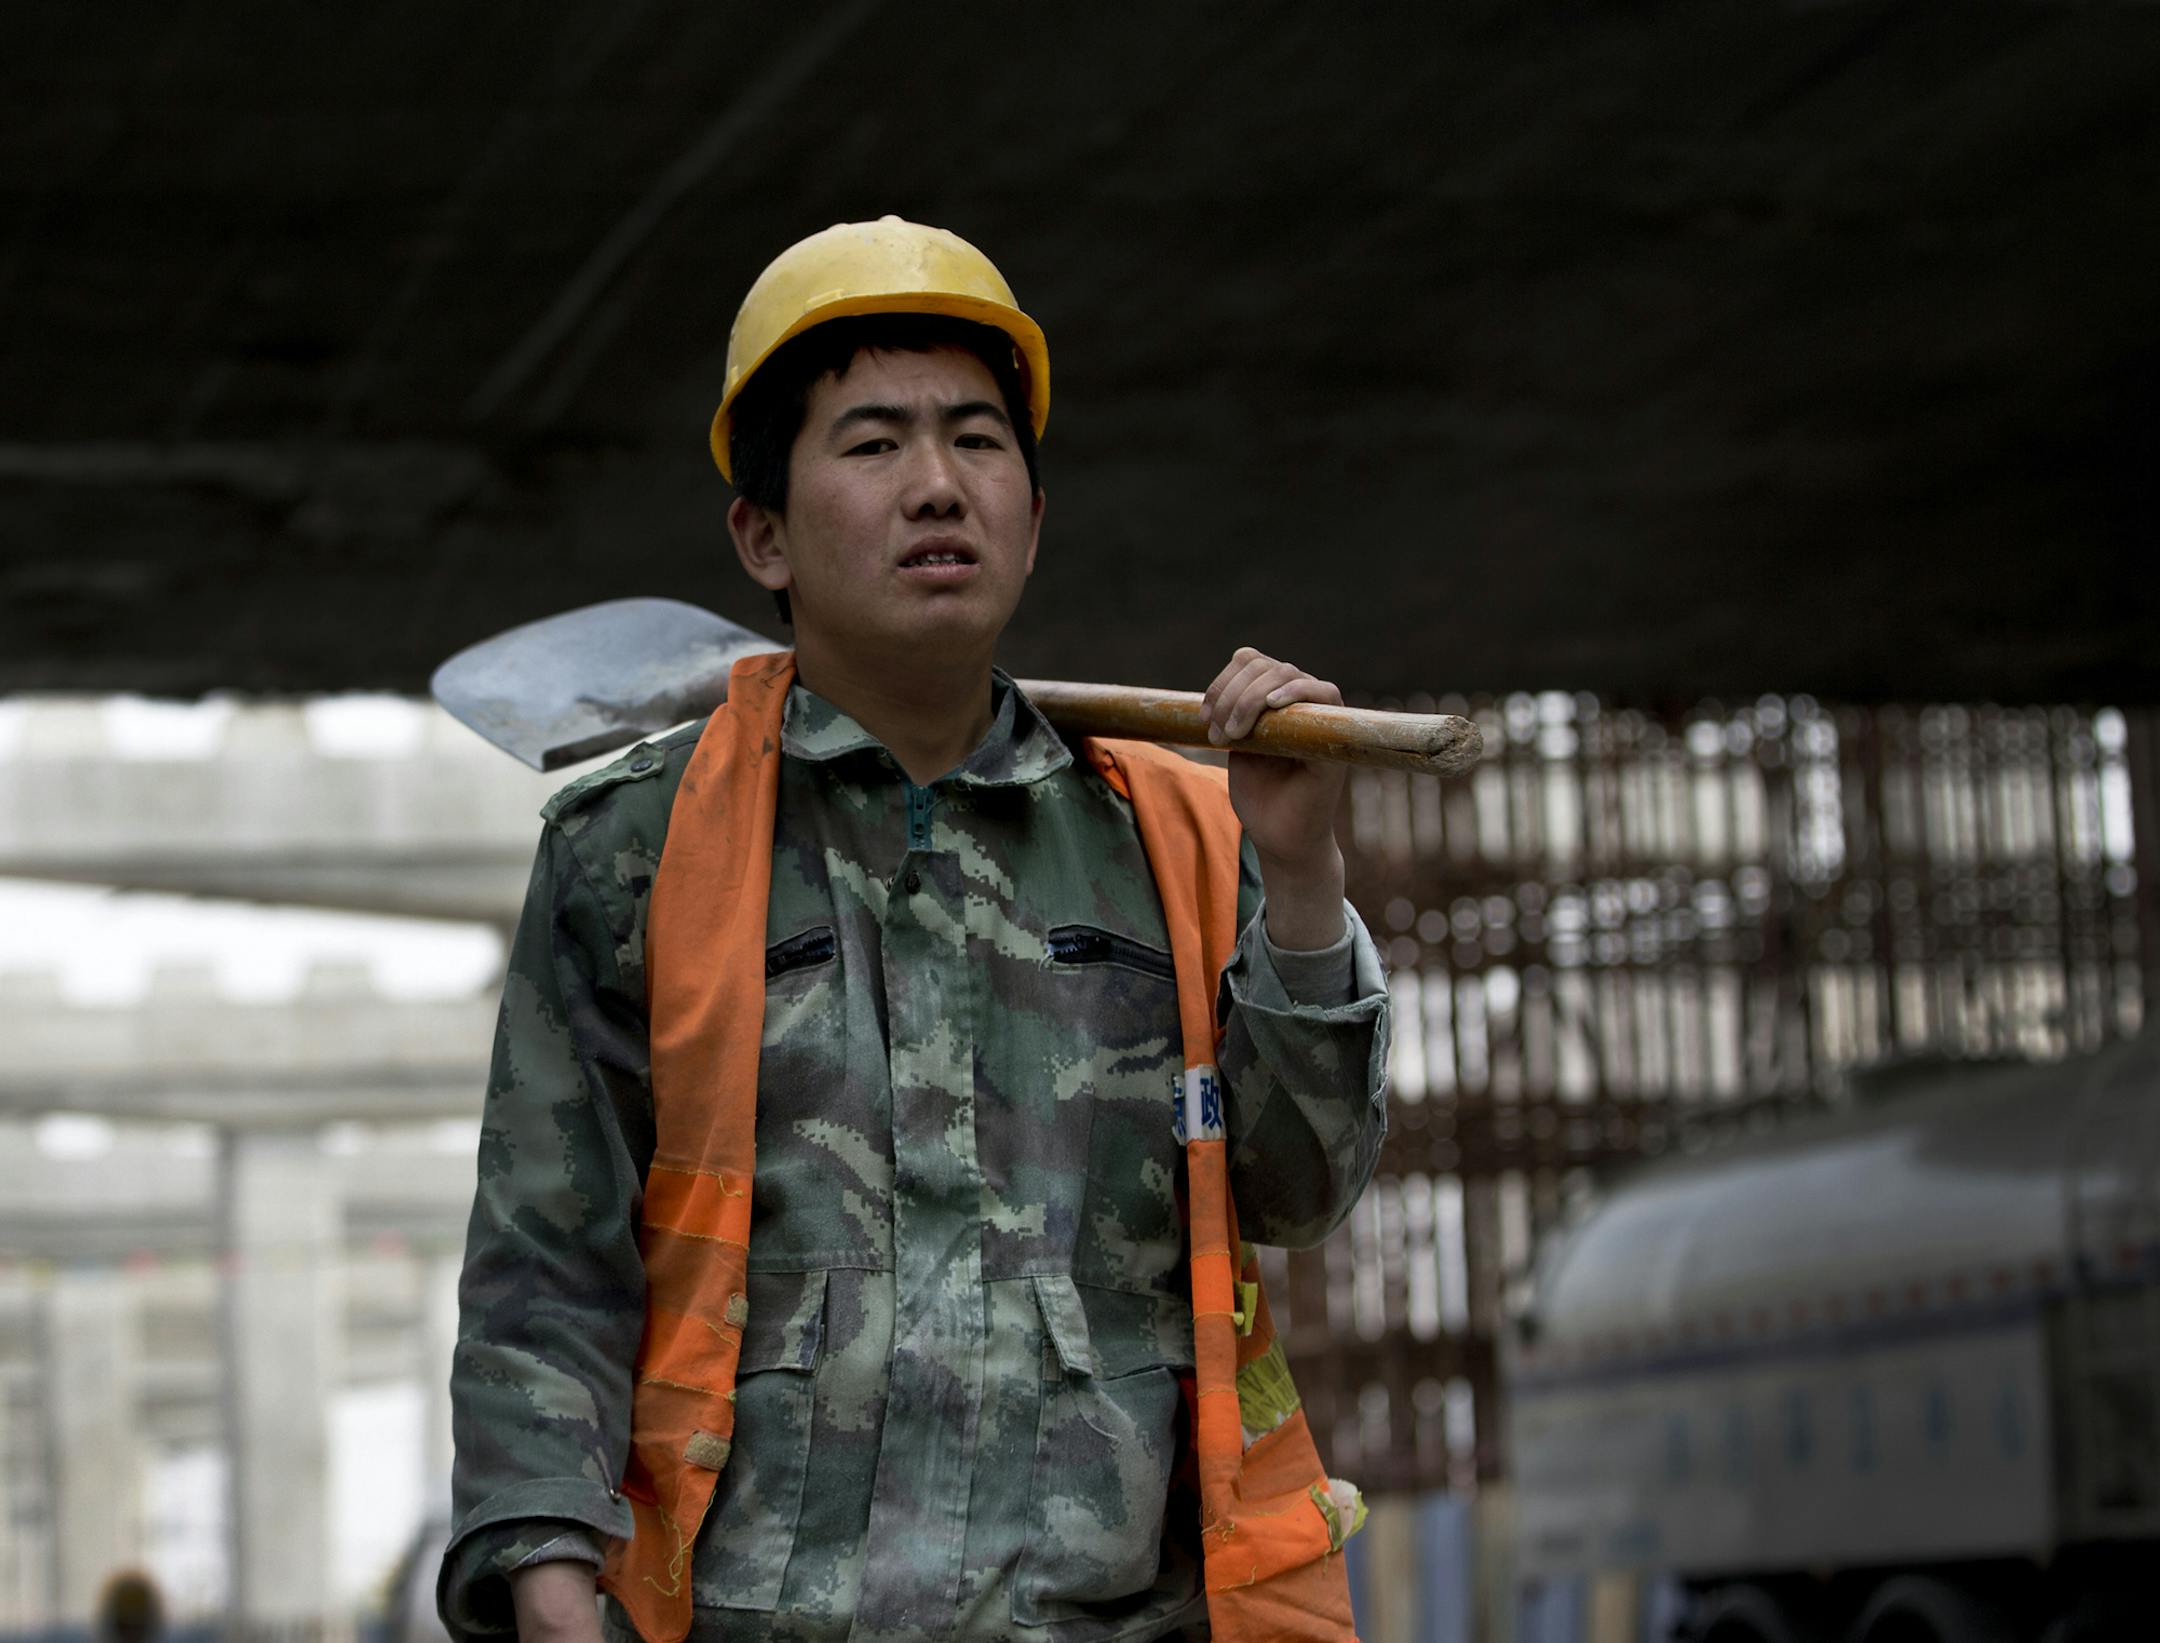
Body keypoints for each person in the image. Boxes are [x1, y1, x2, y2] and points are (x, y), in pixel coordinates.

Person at [438, 217, 1391, 1643]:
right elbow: (546, 1264)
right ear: (762, 534)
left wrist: (1303, 876)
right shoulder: (637, 849)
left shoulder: (1177, 839)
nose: (937, 484)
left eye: (978, 441)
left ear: (1034, 515)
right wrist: (555, 1592)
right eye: (873, 444)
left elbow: (1301, 1192)